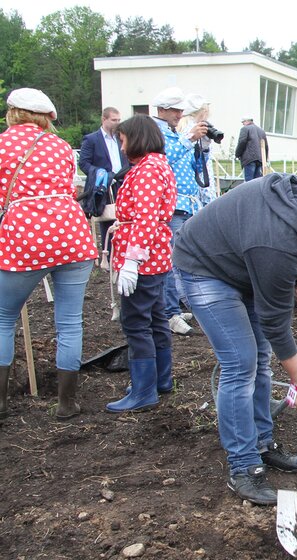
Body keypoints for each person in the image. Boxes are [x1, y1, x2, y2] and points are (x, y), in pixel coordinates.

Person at [172, 174, 297, 505]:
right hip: (205, 267)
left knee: (260, 360)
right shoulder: (277, 243)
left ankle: (262, 443)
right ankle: (243, 467)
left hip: (244, 259)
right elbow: (275, 322)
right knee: (241, 363)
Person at [0, 88, 98, 420]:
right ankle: (66, 403)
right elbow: (69, 189)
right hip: (71, 235)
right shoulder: (59, 147)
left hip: (24, 238)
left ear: (12, 112)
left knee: (2, 319)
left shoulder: (2, 144)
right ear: (46, 118)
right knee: (70, 323)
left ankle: (0, 403)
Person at [105, 115, 177, 412]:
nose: (121, 147)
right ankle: (161, 379)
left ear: (135, 138)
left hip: (144, 257)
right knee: (156, 318)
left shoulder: (147, 170)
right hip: (156, 255)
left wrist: (132, 261)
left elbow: (146, 218)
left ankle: (144, 390)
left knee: (135, 322)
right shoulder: (156, 165)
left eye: (122, 140)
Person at [151, 86, 208, 335]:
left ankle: (175, 307)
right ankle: (170, 313)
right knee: (170, 260)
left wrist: (201, 147)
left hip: (187, 204)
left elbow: (192, 166)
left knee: (185, 257)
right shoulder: (156, 134)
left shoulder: (176, 133)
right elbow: (161, 161)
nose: (179, 113)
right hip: (171, 206)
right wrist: (188, 140)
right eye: (175, 109)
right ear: (162, 110)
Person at [78, 107, 129, 267]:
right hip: (104, 185)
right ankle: (107, 256)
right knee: (106, 216)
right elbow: (84, 163)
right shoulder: (92, 139)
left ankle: (123, 253)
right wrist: (101, 174)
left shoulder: (122, 139)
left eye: (119, 120)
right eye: (114, 120)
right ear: (104, 119)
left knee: (124, 216)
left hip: (122, 181)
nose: (117, 123)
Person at [235, 116, 268, 183]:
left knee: (248, 182)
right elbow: (266, 146)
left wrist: (237, 154)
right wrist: (265, 159)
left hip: (249, 159)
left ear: (247, 121)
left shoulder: (245, 129)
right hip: (260, 160)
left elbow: (242, 142)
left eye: (243, 122)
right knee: (257, 182)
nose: (243, 124)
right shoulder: (261, 131)